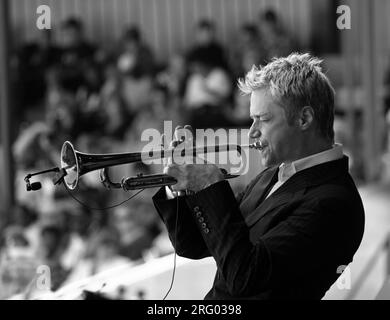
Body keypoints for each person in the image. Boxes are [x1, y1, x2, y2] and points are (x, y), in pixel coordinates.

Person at [152, 53, 365, 299]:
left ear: (304, 118)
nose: (251, 132)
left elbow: (246, 278)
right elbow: (194, 244)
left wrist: (211, 186)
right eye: (252, 119)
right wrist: (176, 185)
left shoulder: (333, 202)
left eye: (262, 120)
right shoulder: (272, 174)